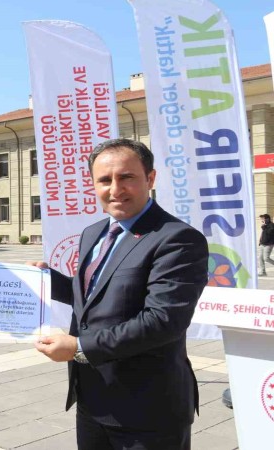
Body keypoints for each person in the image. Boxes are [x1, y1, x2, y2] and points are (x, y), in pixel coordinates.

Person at [29, 138, 208, 450]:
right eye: (104, 180)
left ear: (150, 178)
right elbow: (96, 294)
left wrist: (79, 347)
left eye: (127, 177)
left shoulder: (177, 239)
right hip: (92, 400)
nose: (115, 189)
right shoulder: (93, 233)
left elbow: (163, 321)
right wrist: (47, 281)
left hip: (148, 410)